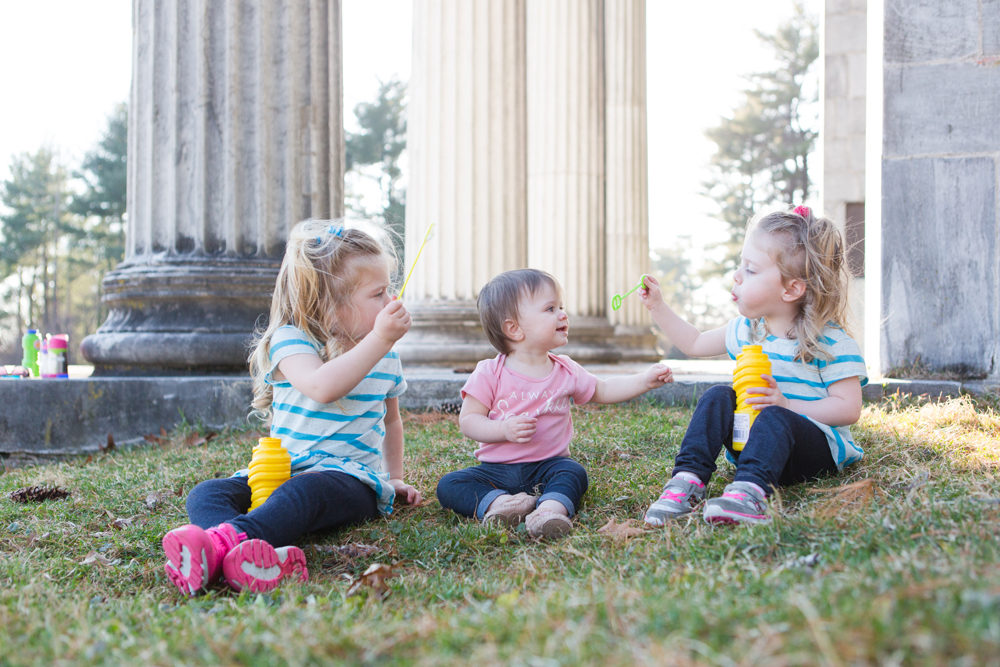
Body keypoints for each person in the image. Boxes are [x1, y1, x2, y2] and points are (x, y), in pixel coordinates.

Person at [162, 219, 422, 595]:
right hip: (286, 469)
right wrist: (380, 339)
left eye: (391, 290)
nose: (392, 302)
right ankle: (247, 556)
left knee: (305, 494)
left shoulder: (385, 356)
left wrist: (393, 478)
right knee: (208, 493)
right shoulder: (290, 341)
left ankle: (222, 546)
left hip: (350, 482)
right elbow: (322, 387)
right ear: (331, 304)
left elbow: (393, 420)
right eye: (379, 293)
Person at [641, 205, 867, 526]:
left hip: (811, 453)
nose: (736, 276)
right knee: (718, 395)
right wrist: (658, 307)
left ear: (791, 289)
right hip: (751, 443)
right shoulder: (746, 330)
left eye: (750, 269)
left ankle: (749, 494)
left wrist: (788, 405)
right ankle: (687, 482)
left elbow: (849, 408)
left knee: (777, 416)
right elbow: (693, 342)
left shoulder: (830, 342)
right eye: (740, 265)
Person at [436, 268, 673, 539]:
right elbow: (469, 421)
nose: (563, 314)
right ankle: (501, 504)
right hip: (495, 470)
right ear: (513, 328)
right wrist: (503, 430)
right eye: (550, 309)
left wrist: (644, 380)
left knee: (573, 473)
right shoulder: (489, 371)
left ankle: (548, 511)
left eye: (562, 307)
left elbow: (604, 389)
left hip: (548, 465)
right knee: (449, 485)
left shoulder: (565, 370)